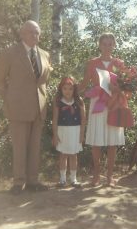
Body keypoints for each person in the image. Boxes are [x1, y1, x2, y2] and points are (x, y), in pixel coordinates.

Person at [0, 20, 52, 195]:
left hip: (38, 108)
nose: (34, 35)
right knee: (20, 147)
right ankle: (18, 183)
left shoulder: (44, 54)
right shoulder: (9, 53)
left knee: (35, 147)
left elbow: (42, 82)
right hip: (18, 108)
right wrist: (9, 99)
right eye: (30, 32)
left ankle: (33, 181)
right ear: (22, 34)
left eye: (37, 33)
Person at [78, 33, 126, 187]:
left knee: (113, 141)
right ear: (99, 45)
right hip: (98, 103)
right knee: (97, 142)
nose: (107, 47)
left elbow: (126, 87)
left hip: (114, 104)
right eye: (104, 44)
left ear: (114, 45)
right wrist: (69, 92)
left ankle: (110, 177)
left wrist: (118, 88)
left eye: (110, 44)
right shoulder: (92, 63)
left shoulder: (119, 64)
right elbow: (84, 83)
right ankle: (96, 175)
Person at [52, 77, 85, 188]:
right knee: (63, 155)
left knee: (73, 155)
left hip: (75, 131)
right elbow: (55, 119)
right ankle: (62, 179)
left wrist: (81, 134)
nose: (67, 91)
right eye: (65, 88)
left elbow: (83, 119)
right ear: (61, 89)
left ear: (74, 89)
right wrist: (55, 135)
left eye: (70, 89)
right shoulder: (58, 102)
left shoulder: (79, 101)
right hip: (62, 131)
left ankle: (73, 179)